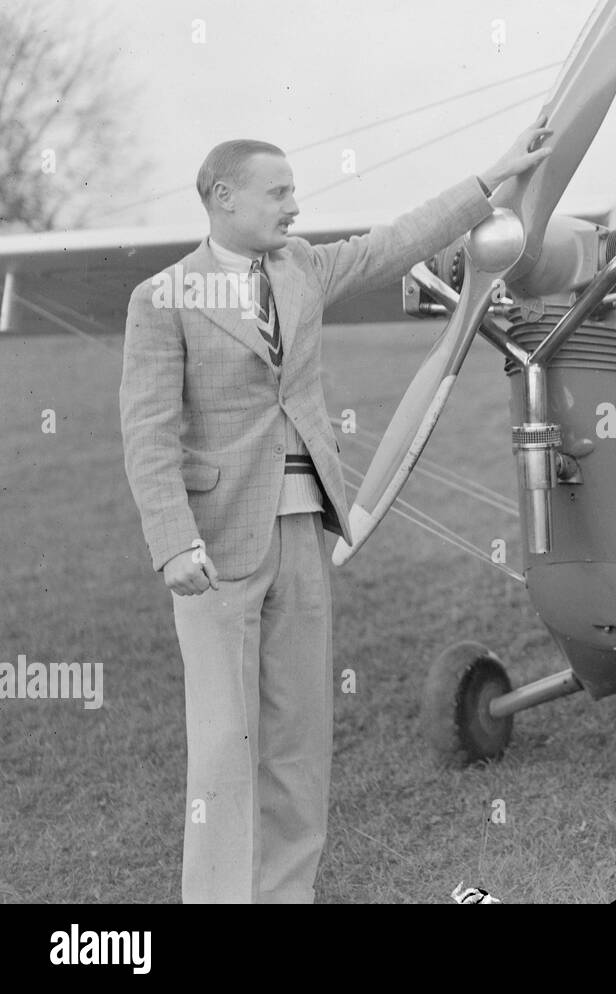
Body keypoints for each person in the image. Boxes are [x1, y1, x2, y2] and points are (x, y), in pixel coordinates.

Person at [119, 117, 552, 902]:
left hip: (305, 529)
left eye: (293, 190)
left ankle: (288, 894)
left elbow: (397, 239)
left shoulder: (303, 267)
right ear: (223, 197)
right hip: (214, 546)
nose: (294, 205)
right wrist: (172, 542)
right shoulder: (161, 298)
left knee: (299, 738)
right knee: (224, 741)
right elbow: (146, 433)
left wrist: (492, 182)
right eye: (277, 191)